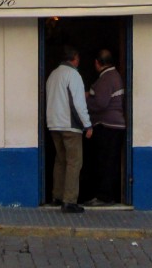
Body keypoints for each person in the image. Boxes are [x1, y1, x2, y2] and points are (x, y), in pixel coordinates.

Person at [45, 45, 92, 213]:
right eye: (78, 58)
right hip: (70, 126)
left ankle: (56, 196)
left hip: (54, 124)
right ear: (74, 58)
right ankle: (69, 200)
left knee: (60, 161)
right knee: (74, 162)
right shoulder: (73, 75)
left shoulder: (53, 75)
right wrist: (87, 124)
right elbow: (78, 103)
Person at [84, 48, 126, 206]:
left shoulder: (106, 78)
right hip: (114, 126)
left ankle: (104, 196)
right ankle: (107, 195)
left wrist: (85, 101)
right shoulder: (114, 76)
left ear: (97, 63)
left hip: (107, 127)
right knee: (110, 162)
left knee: (105, 162)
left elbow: (101, 103)